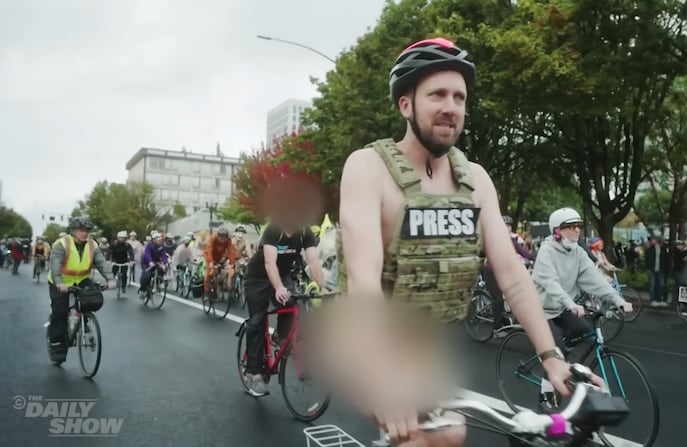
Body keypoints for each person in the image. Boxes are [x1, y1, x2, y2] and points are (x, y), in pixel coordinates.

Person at [334, 37, 588, 446]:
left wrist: (552, 357)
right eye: (437, 94)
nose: (451, 107)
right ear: (405, 104)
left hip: (427, 344)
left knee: (451, 433)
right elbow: (364, 288)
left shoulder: (476, 179)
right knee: (424, 435)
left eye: (459, 97)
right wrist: (384, 377)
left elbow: (513, 276)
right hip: (367, 337)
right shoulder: (367, 169)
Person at [532, 208, 633, 409]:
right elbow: (550, 283)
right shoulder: (546, 251)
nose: (577, 230)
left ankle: (565, 366)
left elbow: (594, 280)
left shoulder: (578, 252)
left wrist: (616, 299)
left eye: (578, 226)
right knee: (556, 350)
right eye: (570, 227)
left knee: (585, 333)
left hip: (561, 308)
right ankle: (546, 392)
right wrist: (570, 304)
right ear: (557, 231)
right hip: (540, 310)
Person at [242, 222, 327, 395]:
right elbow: (269, 262)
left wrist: (323, 287)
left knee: (293, 306)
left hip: (283, 275)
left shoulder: (304, 231)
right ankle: (253, 373)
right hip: (258, 278)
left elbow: (313, 260)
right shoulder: (274, 229)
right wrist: (279, 288)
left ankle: (280, 335)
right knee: (257, 322)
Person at [47, 216, 115, 363]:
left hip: (82, 280)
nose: (85, 233)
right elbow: (55, 266)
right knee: (59, 312)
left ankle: (84, 321)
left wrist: (110, 279)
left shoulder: (92, 245)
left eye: (87, 230)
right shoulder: (62, 244)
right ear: (73, 231)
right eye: (81, 230)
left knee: (93, 298)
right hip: (61, 282)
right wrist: (59, 282)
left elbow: (101, 263)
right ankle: (57, 344)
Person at [203, 227, 236, 305]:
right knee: (209, 273)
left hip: (219, 257)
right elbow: (209, 250)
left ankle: (217, 288)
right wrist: (211, 262)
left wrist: (232, 263)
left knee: (220, 271)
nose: (223, 240)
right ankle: (206, 292)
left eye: (225, 237)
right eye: (221, 237)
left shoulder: (228, 240)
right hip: (209, 256)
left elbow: (230, 251)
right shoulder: (213, 238)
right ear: (218, 236)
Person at [139, 233, 169, 297]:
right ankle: (142, 290)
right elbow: (147, 254)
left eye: (160, 240)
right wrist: (150, 261)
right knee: (146, 276)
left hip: (156, 262)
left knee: (161, 271)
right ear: (154, 240)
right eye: (158, 240)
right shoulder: (149, 246)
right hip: (146, 263)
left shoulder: (161, 247)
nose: (160, 241)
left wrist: (164, 263)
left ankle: (157, 284)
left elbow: (164, 255)